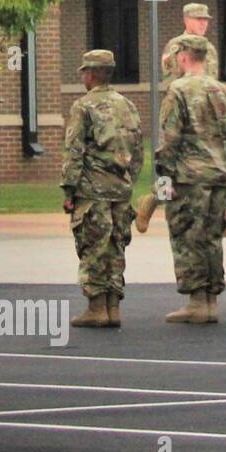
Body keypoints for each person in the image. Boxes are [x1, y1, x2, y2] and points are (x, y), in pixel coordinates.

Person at [156, 34, 226, 324]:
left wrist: (163, 180)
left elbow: (170, 139)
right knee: (211, 238)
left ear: (182, 57)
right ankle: (211, 300)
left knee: (188, 237)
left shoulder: (177, 90)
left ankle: (196, 301)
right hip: (218, 175)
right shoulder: (222, 91)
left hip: (188, 178)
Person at [135, 2, 226, 237]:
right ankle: (152, 199)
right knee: (175, 166)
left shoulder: (209, 49)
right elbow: (172, 81)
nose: (203, 23)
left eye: (206, 19)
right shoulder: (177, 46)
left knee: (216, 163)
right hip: (182, 114)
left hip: (207, 115)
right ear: (186, 20)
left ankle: (219, 218)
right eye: (198, 19)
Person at [61, 50, 143, 328]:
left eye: (85, 72)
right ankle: (113, 306)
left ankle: (96, 307)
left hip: (92, 190)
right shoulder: (128, 106)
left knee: (93, 247)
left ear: (91, 74)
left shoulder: (83, 106)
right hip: (120, 189)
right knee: (116, 245)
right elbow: (138, 149)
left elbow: (74, 151)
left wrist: (69, 190)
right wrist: (128, 179)